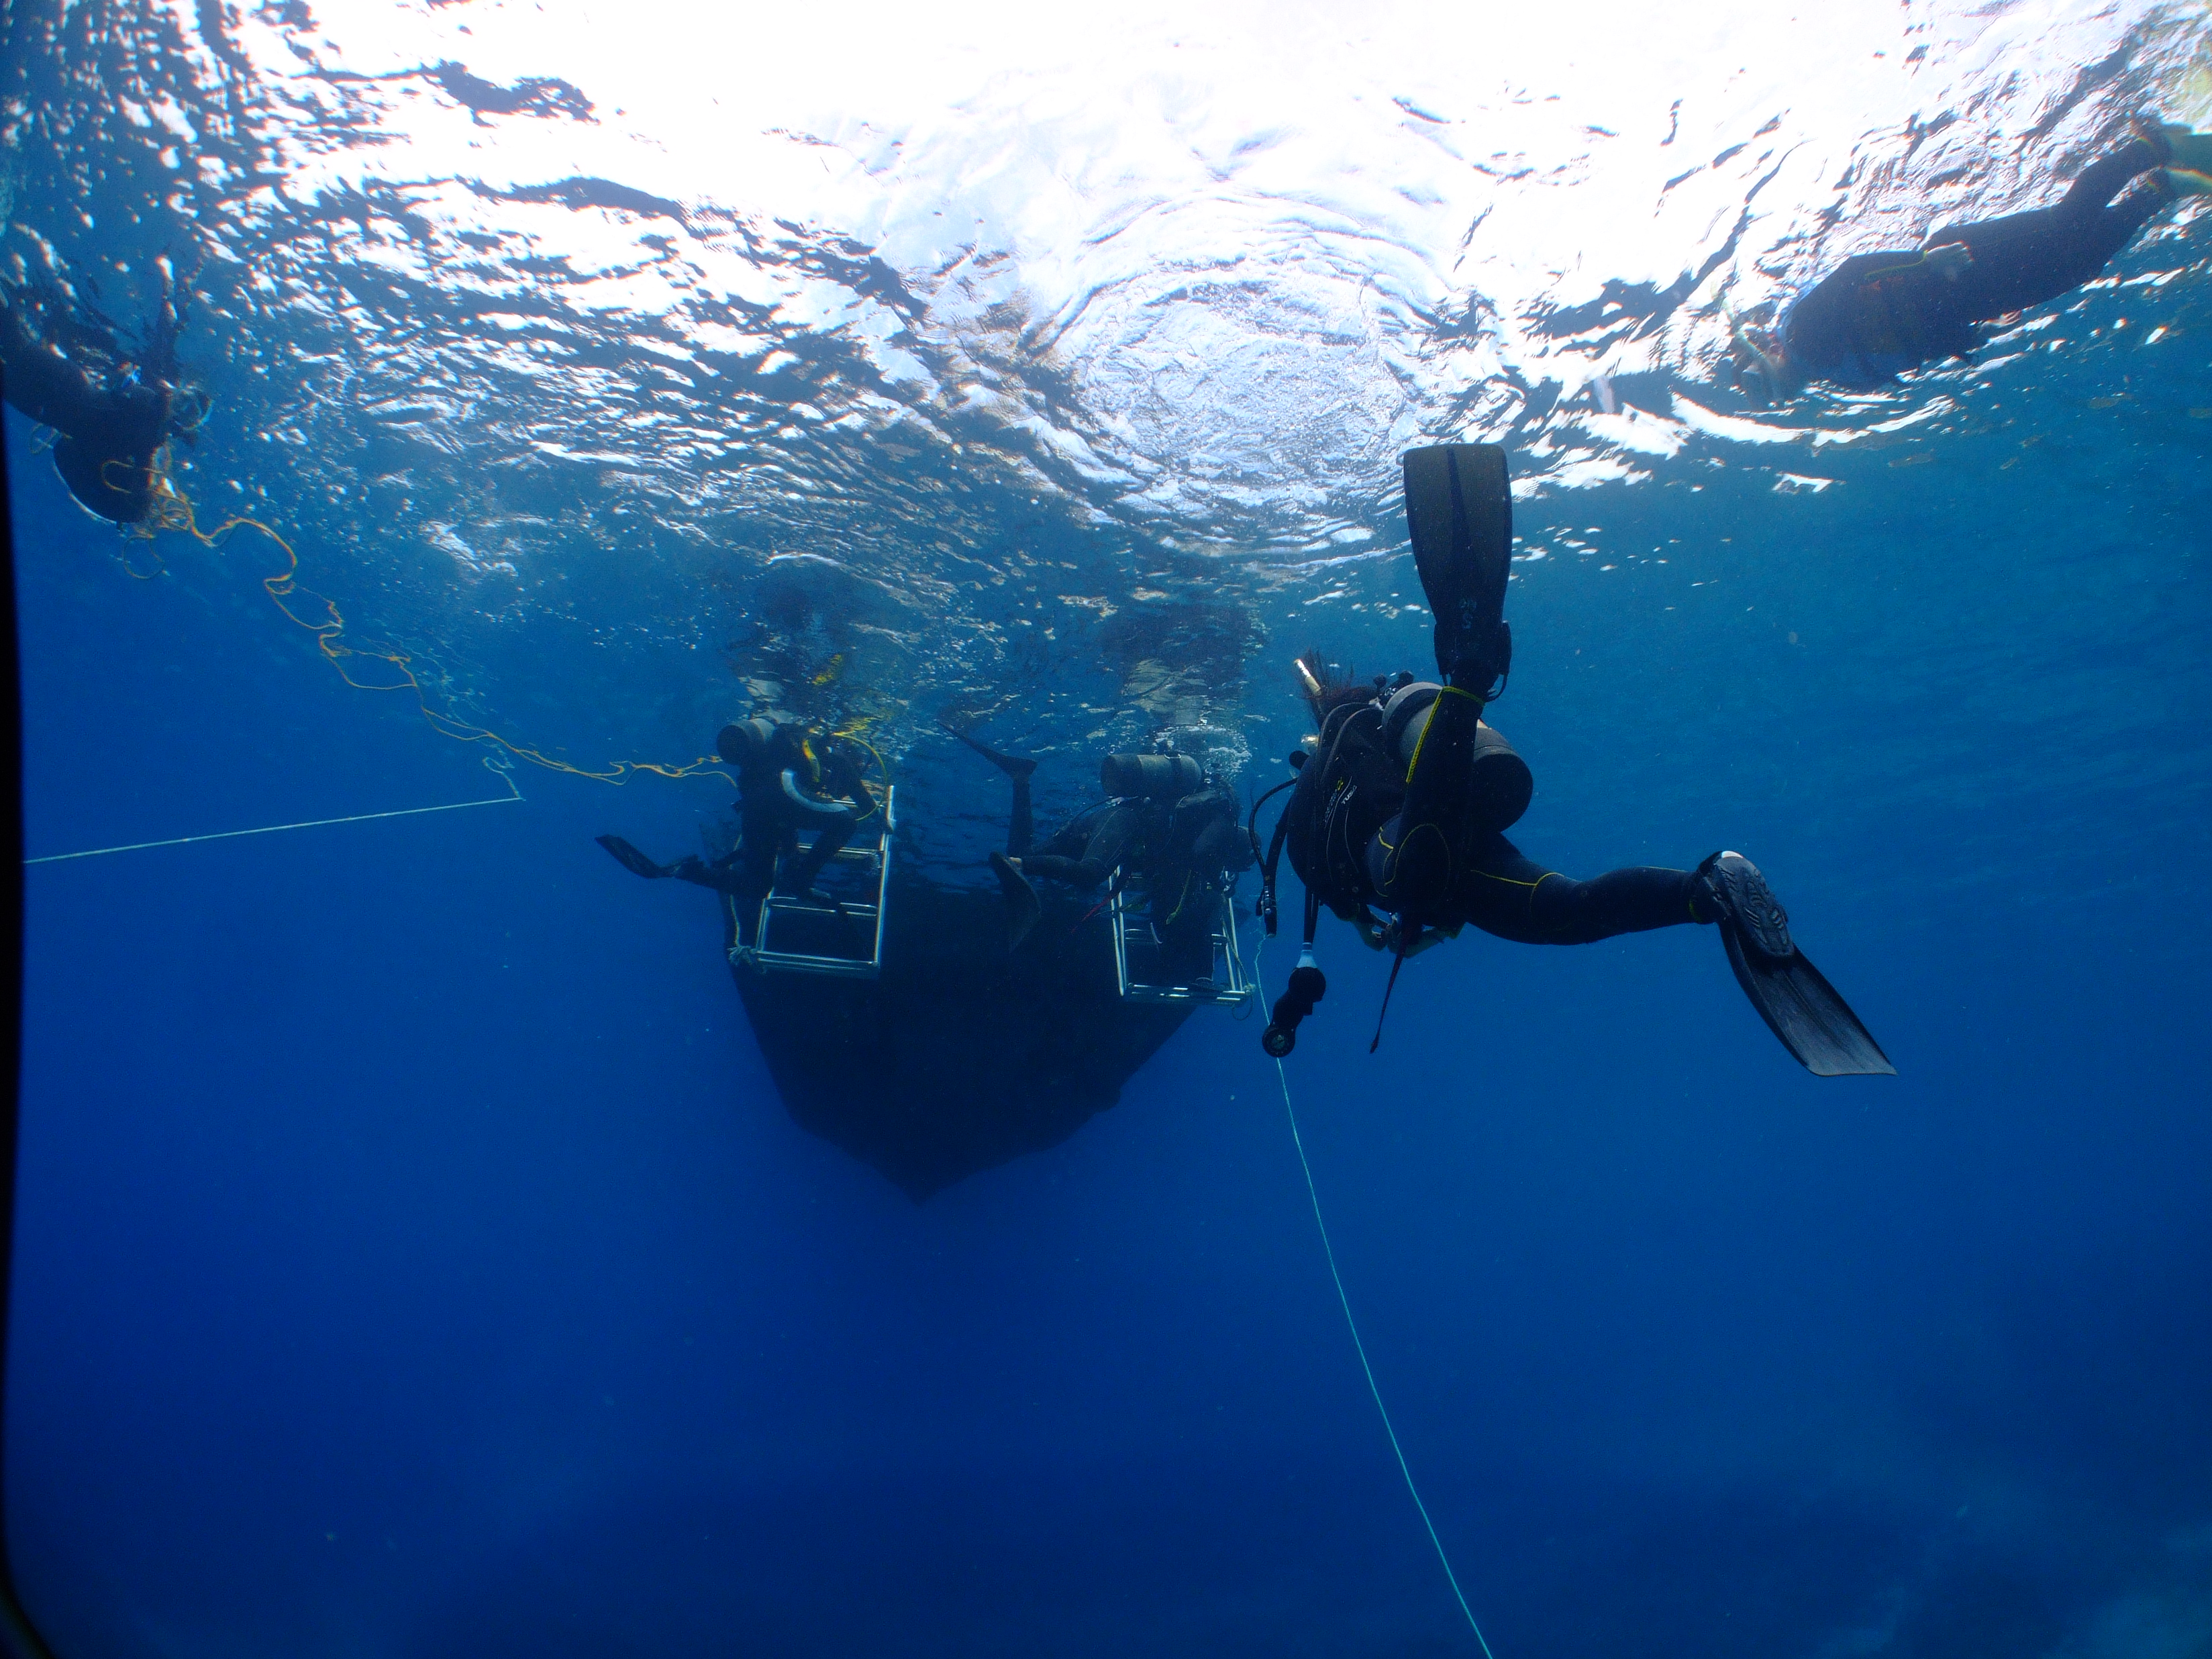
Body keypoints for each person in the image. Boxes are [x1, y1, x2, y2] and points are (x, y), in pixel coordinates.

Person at [1254, 443, 1891, 1076]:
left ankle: (1470, 670)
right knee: (1568, 913)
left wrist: (1366, 919)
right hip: (1453, 839)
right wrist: (1427, 926)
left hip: (1416, 846)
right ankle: (1708, 891)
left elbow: (1332, 861)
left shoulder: (1313, 799)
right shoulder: (1352, 762)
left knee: (1422, 872)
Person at [1737, 119, 2212, 394]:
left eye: (1775, 380)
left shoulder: (1803, 329)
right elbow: (1915, 349)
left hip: (1950, 265)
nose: (1789, 387)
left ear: (1769, 352)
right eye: (1781, 393)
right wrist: (1974, 336)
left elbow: (1853, 271)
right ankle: (2162, 188)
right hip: (1970, 302)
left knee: (2067, 224)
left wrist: (1928, 261)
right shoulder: (1841, 377)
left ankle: (2154, 146)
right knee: (2077, 268)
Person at [945, 720, 1251, 972]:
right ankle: (1018, 865)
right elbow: (1196, 855)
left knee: (1024, 851)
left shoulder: (1196, 806)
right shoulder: (1216, 818)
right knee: (1090, 873)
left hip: (1105, 820)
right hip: (1120, 823)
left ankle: (1021, 778)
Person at [597, 717, 878, 958]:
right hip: (780, 792)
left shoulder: (787, 749)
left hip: (757, 802)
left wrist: (792, 850)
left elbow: (785, 816)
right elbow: (863, 806)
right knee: (844, 823)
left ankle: (687, 871)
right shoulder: (834, 755)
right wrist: (868, 811)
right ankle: (802, 880)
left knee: (757, 885)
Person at [0, 261, 205, 525]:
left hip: (63, 392)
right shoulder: (147, 441)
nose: (182, 401)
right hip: (57, 401)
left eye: (189, 408)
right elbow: (74, 451)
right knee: (14, 346)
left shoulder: (147, 441)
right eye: (187, 399)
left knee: (15, 345)